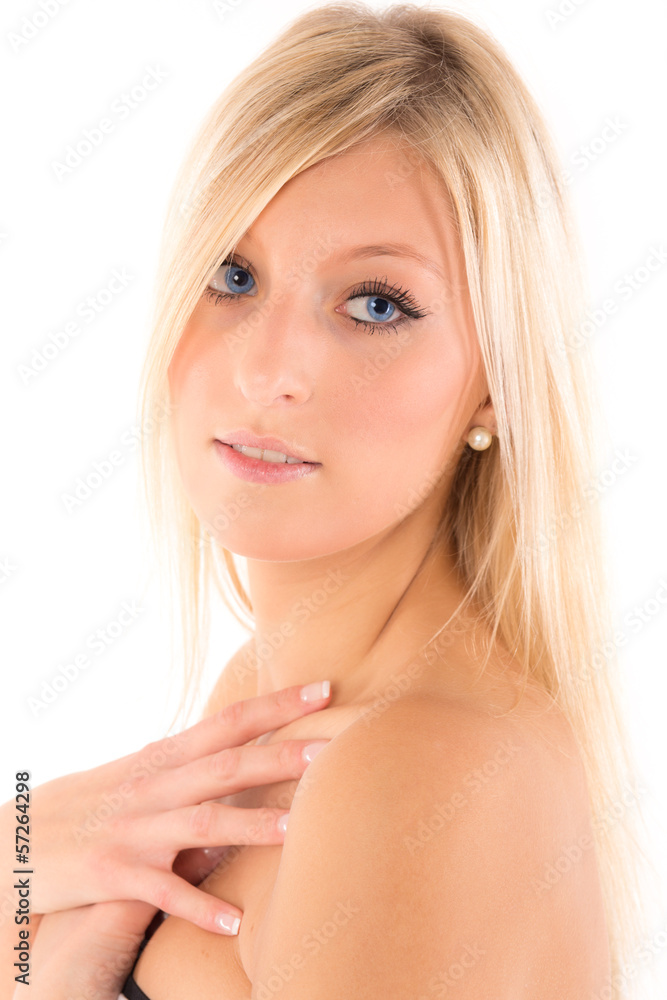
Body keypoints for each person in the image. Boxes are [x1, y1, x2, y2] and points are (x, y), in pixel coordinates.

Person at [2, 2, 650, 997]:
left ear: (495, 384)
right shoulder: (265, 700)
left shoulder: (422, 767)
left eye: (375, 304)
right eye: (232, 274)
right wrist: (20, 857)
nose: (267, 371)